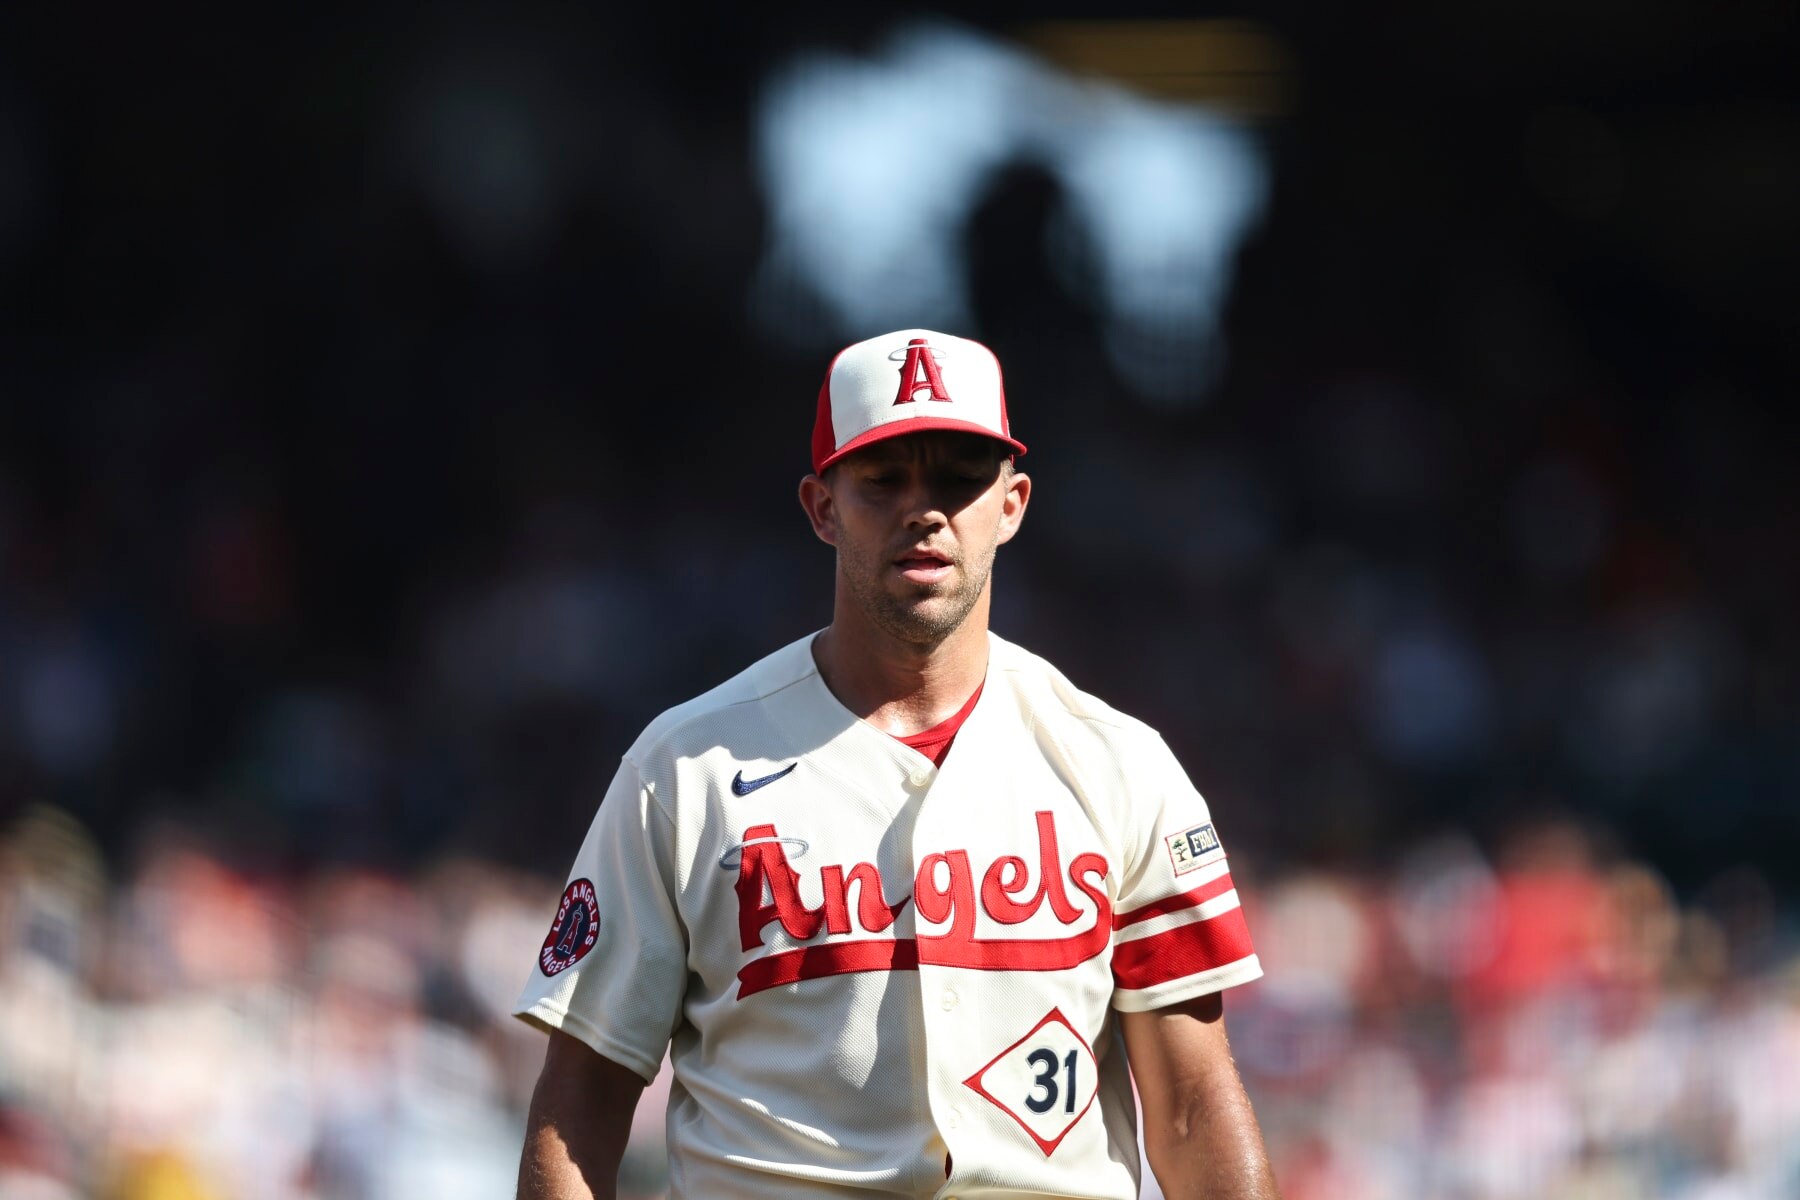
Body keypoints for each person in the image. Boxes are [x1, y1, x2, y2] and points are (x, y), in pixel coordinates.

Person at [514, 329, 1279, 1200]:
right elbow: (580, 1101)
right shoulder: (683, 769)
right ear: (822, 507)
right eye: (884, 479)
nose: (925, 509)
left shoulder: (1120, 764)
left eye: (960, 478)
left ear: (1014, 503)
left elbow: (1192, 1109)